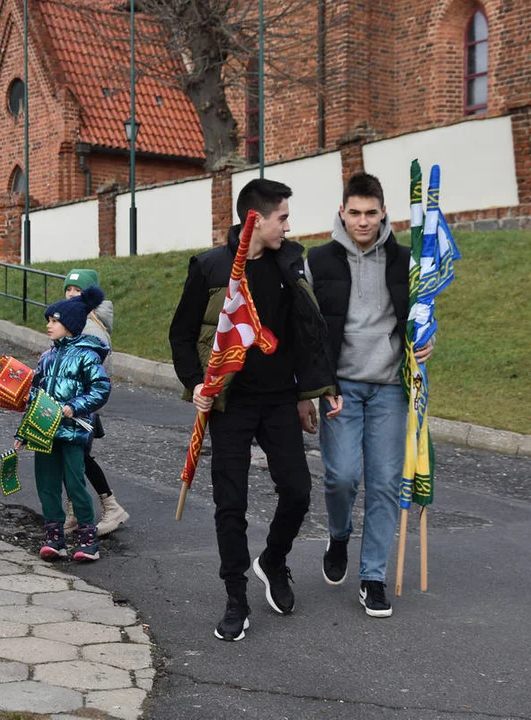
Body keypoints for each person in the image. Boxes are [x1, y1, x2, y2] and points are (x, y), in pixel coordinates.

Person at [169, 178, 342, 642]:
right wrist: (195, 385)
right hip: (231, 404)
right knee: (232, 504)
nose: (288, 226)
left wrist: (308, 392)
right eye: (282, 217)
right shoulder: (211, 267)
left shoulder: (291, 263)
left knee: (299, 491)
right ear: (256, 220)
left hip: (280, 401)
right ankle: (235, 597)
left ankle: (274, 559)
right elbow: (181, 334)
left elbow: (305, 331)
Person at [304, 172, 434, 618]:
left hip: (390, 388)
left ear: (384, 214)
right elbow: (308, 332)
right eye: (355, 213)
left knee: (384, 483)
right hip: (339, 387)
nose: (363, 222)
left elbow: (420, 314)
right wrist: (316, 386)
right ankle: (339, 534)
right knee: (341, 476)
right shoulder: (316, 260)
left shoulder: (405, 261)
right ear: (342, 213)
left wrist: (427, 341)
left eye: (371, 213)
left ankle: (373, 577)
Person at [18, 285, 111, 562]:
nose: (49, 325)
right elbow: (35, 396)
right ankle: (54, 537)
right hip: (43, 432)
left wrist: (75, 406)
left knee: (75, 483)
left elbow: (100, 389)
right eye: (48, 320)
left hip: (71, 432)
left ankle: (87, 539)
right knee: (46, 483)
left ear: (70, 324)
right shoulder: (46, 358)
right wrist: (23, 432)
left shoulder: (87, 355)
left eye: (54, 321)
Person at [60, 269, 130, 536]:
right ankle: (79, 510)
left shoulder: (90, 328)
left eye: (77, 291)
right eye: (68, 289)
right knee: (77, 458)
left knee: (77, 458)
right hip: (73, 403)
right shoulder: (75, 321)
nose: (71, 294)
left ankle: (108, 508)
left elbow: (88, 371)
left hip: (82, 406)